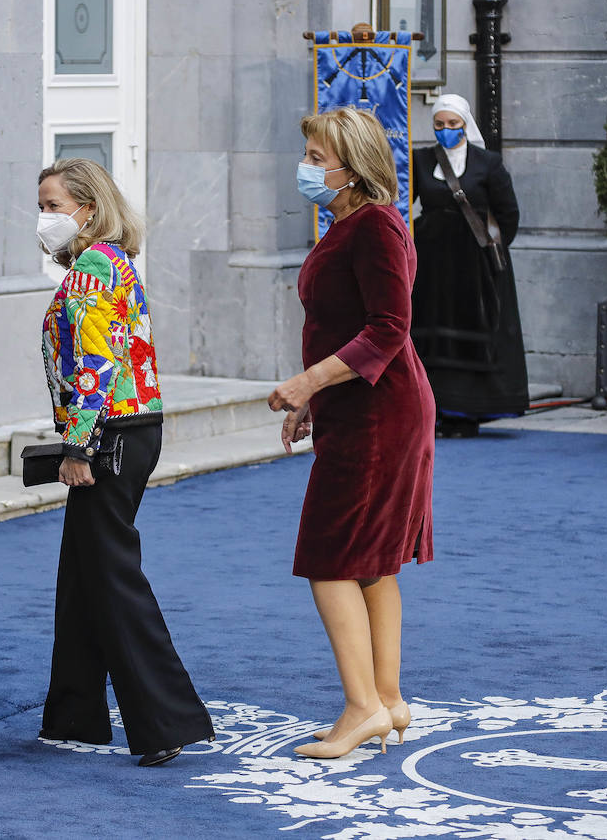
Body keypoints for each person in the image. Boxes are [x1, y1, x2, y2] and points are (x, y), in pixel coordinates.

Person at [35, 158, 215, 768]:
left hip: (110, 432)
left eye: (54, 206)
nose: (45, 218)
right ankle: (76, 716)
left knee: (110, 572)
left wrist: (79, 445)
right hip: (130, 427)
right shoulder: (112, 260)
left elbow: (95, 361)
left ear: (87, 209)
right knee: (83, 570)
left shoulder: (92, 264)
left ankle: (165, 721)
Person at [269, 107, 435, 760]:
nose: (307, 168)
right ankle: (387, 700)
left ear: (352, 169)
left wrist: (308, 383)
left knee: (331, 558)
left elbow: (389, 327)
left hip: (380, 413)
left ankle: (364, 706)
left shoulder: (374, 226)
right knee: (369, 562)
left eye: (317, 158)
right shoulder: (353, 224)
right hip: (361, 407)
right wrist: (316, 398)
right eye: (307, 154)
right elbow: (346, 326)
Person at [410, 93, 527, 437]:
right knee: (432, 337)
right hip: (432, 267)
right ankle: (435, 409)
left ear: (465, 124)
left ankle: (467, 411)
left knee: (472, 336)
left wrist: (491, 254)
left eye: (453, 124)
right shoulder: (420, 160)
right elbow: (404, 202)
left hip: (475, 269)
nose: (446, 130)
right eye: (439, 125)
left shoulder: (487, 163)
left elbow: (508, 213)